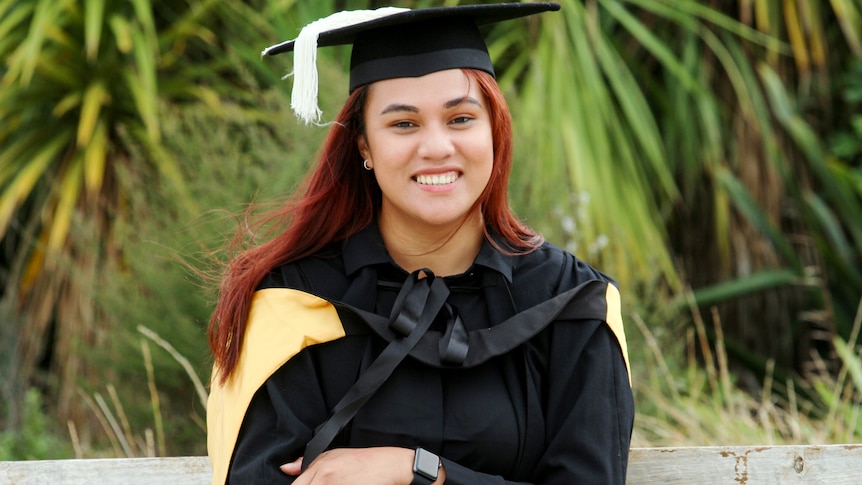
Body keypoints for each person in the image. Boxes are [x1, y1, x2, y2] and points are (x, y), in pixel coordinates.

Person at [206, 3, 634, 484]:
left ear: (494, 129)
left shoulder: (570, 304)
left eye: (461, 119)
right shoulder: (294, 304)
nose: (435, 147)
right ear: (364, 145)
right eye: (403, 124)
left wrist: (415, 470)